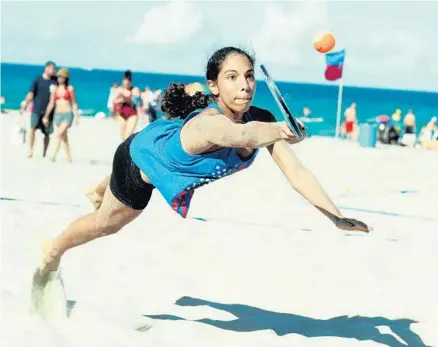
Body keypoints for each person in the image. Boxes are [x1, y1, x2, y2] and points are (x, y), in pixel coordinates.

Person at [31, 47, 370, 316]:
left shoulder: (261, 118)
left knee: (152, 163)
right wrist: (283, 129)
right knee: (107, 224)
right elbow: (241, 134)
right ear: (214, 85)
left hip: (156, 141)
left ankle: (100, 188)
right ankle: (53, 251)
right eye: (233, 77)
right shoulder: (211, 122)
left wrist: (335, 216)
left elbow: (296, 173)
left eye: (249, 77)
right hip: (137, 165)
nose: (245, 85)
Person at [20, 61, 57, 158]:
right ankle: (30, 151)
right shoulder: (38, 80)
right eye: (52, 69)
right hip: (36, 109)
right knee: (32, 129)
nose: (54, 71)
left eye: (54, 69)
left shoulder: (54, 81)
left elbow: (64, 82)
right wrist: (25, 105)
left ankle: (44, 153)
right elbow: (31, 93)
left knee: (47, 133)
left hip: (49, 112)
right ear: (46, 68)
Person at [42, 68, 80, 162]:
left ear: (66, 78)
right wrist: (46, 115)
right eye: (59, 77)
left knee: (59, 134)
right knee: (64, 137)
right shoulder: (55, 89)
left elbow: (74, 102)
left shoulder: (70, 88)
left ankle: (53, 156)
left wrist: (76, 116)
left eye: (63, 77)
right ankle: (69, 157)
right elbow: (51, 103)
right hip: (57, 114)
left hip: (68, 114)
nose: (61, 79)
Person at [113, 70, 141, 140]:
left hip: (132, 114)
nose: (125, 85)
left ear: (130, 83)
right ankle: (125, 150)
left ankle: (128, 149)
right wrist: (123, 100)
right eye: (124, 84)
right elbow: (114, 101)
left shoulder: (135, 89)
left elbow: (139, 102)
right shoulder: (120, 89)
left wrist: (131, 96)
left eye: (127, 84)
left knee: (127, 136)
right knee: (122, 137)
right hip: (121, 114)